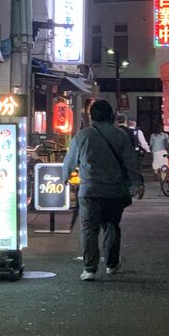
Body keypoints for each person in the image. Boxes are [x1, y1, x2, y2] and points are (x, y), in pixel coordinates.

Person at [62, 99, 143, 281]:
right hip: (115, 191)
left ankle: (89, 269)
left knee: (89, 229)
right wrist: (137, 182)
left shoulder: (83, 136)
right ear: (111, 116)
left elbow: (70, 161)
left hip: (90, 191)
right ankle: (111, 264)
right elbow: (131, 162)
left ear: (91, 117)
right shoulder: (120, 136)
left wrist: (64, 178)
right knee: (112, 225)